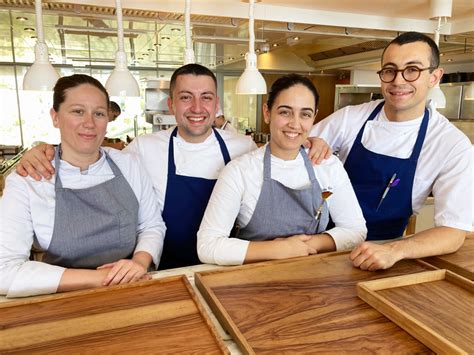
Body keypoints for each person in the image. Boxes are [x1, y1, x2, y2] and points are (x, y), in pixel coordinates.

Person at [15, 64, 332, 270]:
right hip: (163, 266)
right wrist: (44, 150)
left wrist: (311, 143)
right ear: (171, 105)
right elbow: (92, 151)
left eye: (206, 97)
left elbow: (283, 154)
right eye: (185, 98)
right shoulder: (143, 149)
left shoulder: (242, 146)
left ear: (217, 104)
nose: (197, 108)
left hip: (225, 264)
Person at [309, 31, 472, 271]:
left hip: (384, 256)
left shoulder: (451, 145)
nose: (398, 80)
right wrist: (311, 142)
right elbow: (293, 149)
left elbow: (454, 231)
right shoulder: (351, 118)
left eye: (412, 69)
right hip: (322, 245)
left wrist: (395, 250)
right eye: (390, 70)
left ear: (434, 77)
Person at [0, 74, 166, 298]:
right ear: (55, 117)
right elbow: (4, 271)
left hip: (132, 287)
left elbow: (151, 225)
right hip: (60, 297)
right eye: (77, 111)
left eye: (99, 113)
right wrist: (102, 279)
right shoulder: (27, 179)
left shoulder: (129, 165)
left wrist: (139, 261)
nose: (89, 123)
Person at [197, 74, 367, 265]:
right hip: (252, 283)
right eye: (285, 112)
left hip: (315, 280)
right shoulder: (240, 171)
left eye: (305, 114)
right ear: (267, 113)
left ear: (314, 117)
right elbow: (207, 246)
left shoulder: (327, 165)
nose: (295, 124)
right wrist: (280, 249)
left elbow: (356, 230)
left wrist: (309, 245)